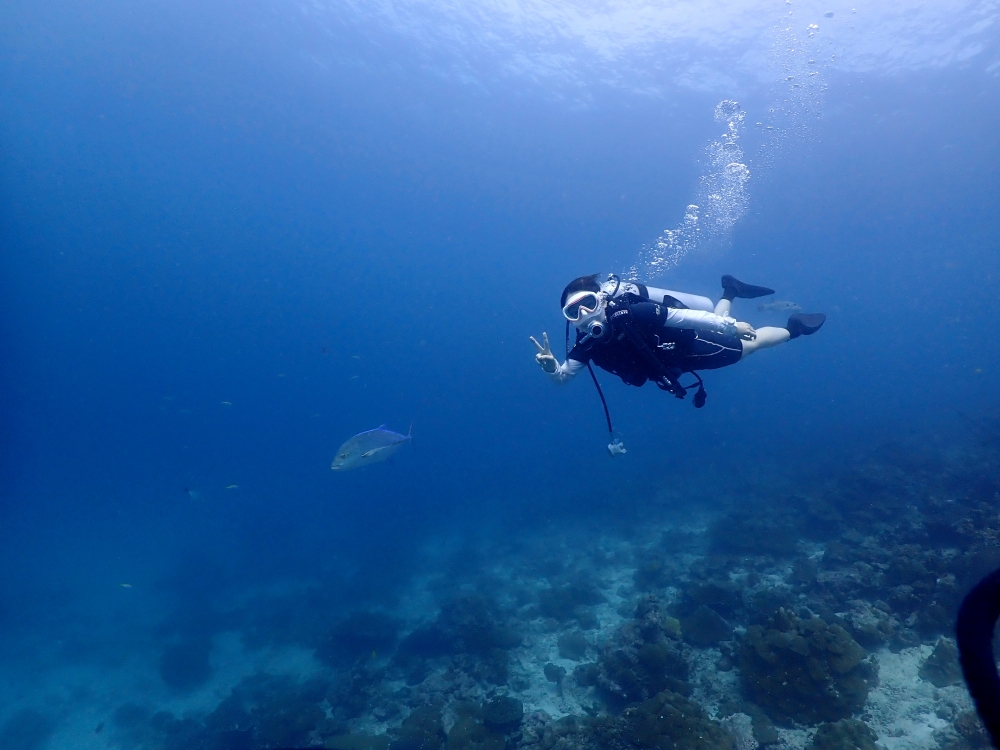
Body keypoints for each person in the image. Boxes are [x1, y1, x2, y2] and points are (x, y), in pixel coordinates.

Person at [530, 274, 825, 453]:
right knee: (737, 340)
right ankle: (731, 290)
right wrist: (550, 368)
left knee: (749, 346)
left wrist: (730, 326)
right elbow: (563, 378)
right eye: (573, 311)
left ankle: (795, 328)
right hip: (672, 363)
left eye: (589, 303)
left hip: (689, 348)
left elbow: (685, 318)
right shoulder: (588, 346)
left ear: (603, 301)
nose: (584, 314)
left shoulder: (635, 312)